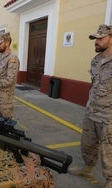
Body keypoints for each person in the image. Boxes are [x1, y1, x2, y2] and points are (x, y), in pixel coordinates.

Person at [68, 24, 112, 188]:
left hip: (108, 116)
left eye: (100, 38)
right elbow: (94, 84)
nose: (96, 42)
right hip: (91, 111)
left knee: (108, 152)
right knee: (87, 144)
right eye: (95, 39)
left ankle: (110, 180)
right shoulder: (96, 60)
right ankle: (88, 168)